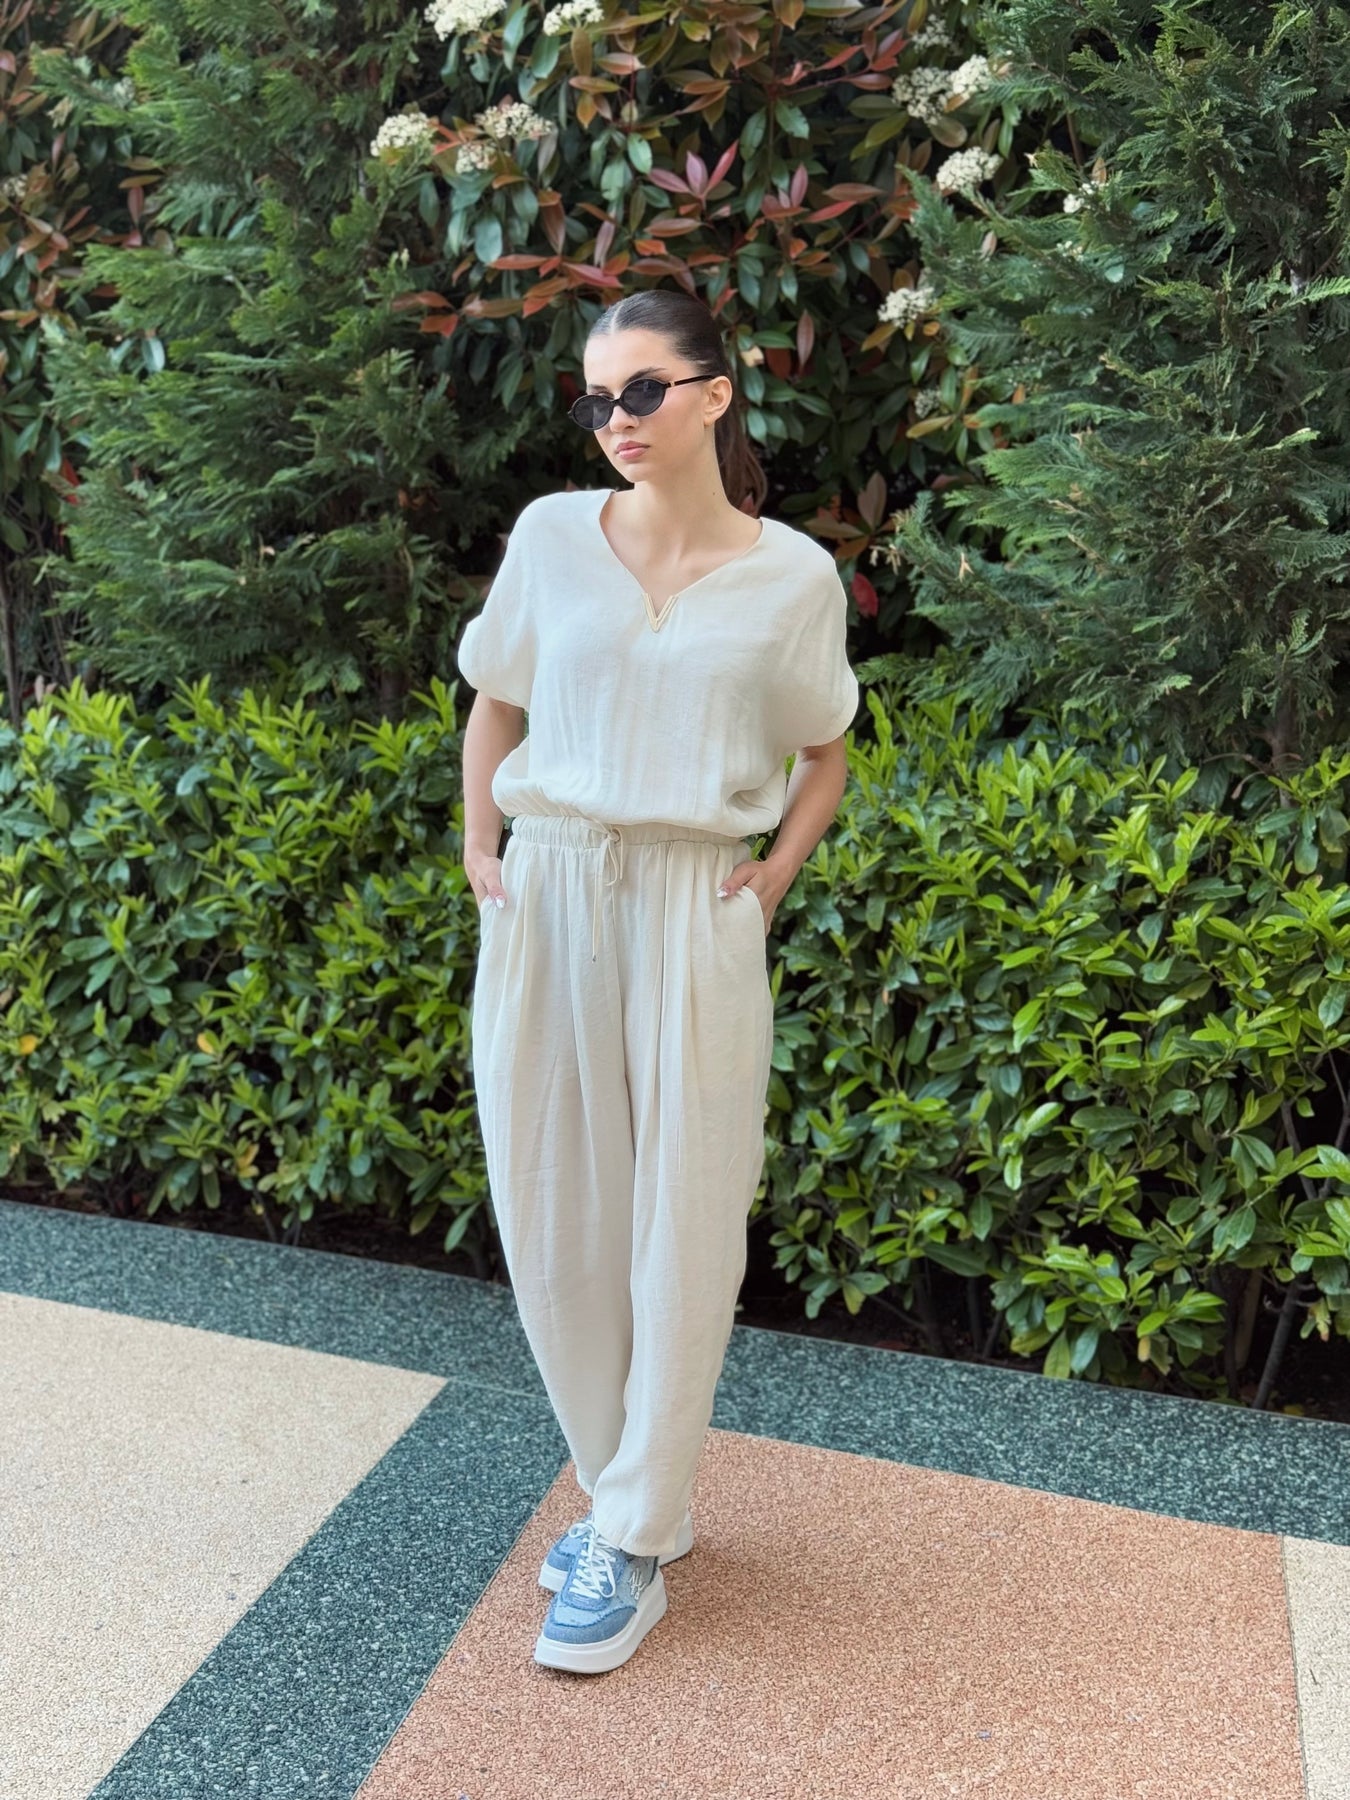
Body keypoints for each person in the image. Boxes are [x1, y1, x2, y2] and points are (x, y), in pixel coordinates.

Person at [456, 288, 859, 1676]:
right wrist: (483, 849)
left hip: (696, 901)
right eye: (596, 399)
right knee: (552, 1205)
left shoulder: (792, 577)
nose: (615, 419)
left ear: (714, 393)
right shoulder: (549, 537)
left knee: (686, 1217)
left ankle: (627, 1539)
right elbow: (496, 698)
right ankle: (625, 1490)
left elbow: (825, 750)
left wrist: (770, 879)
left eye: (642, 390)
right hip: (550, 887)